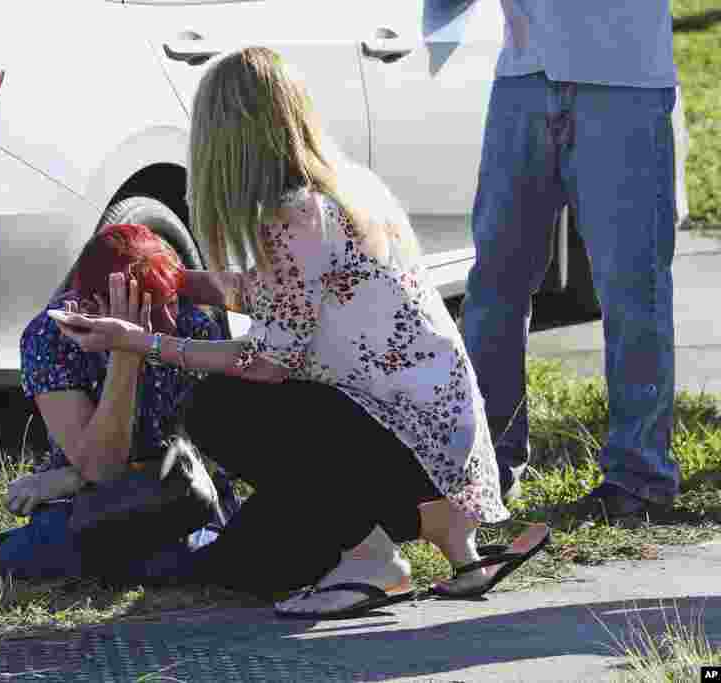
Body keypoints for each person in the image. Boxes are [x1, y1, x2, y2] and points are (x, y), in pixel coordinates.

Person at [49, 47, 550, 620]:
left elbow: (268, 363)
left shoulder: (293, 218)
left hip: (405, 445)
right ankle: (456, 545)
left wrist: (141, 343)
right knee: (254, 563)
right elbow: (284, 296)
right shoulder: (344, 187)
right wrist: (182, 282)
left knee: (222, 405)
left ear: (229, 138)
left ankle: (373, 564)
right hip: (439, 441)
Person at [456, 0, 680, 520]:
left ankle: (639, 479)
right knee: (494, 285)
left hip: (623, 78)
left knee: (632, 289)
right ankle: (487, 470)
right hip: (523, 74)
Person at [0, 222, 239, 582]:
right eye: (156, 308)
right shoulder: (49, 337)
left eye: (173, 301)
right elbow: (102, 469)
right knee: (56, 547)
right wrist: (126, 354)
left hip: (184, 494)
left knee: (191, 548)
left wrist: (65, 480)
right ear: (92, 305)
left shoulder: (194, 325)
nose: (173, 320)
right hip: (103, 500)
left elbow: (200, 461)